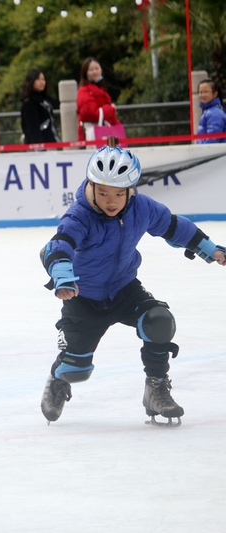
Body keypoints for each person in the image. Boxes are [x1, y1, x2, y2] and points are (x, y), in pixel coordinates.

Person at [39, 146, 225, 427]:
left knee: (159, 320)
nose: (110, 201)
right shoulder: (80, 215)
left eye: (118, 193)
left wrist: (208, 248)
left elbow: (174, 227)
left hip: (125, 289)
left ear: (131, 190)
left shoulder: (142, 208)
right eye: (102, 193)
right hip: (82, 296)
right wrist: (63, 277)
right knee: (78, 370)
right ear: (91, 186)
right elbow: (59, 244)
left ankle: (156, 388)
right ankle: (58, 378)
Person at [76, 57, 120, 141]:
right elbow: (92, 114)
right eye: (91, 69)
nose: (95, 72)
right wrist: (110, 109)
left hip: (106, 131)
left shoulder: (102, 89)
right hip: (91, 134)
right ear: (85, 73)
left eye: (97, 68)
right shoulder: (83, 91)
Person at [20, 69, 60, 144]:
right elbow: (32, 129)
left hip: (51, 142)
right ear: (31, 81)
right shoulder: (29, 104)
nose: (42, 82)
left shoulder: (45, 101)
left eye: (43, 79)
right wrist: (39, 148)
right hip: (40, 146)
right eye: (38, 79)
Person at [196, 78, 226, 144]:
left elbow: (212, 140)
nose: (202, 95)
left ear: (215, 94)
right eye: (200, 92)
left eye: (205, 92)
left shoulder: (215, 113)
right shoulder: (209, 111)